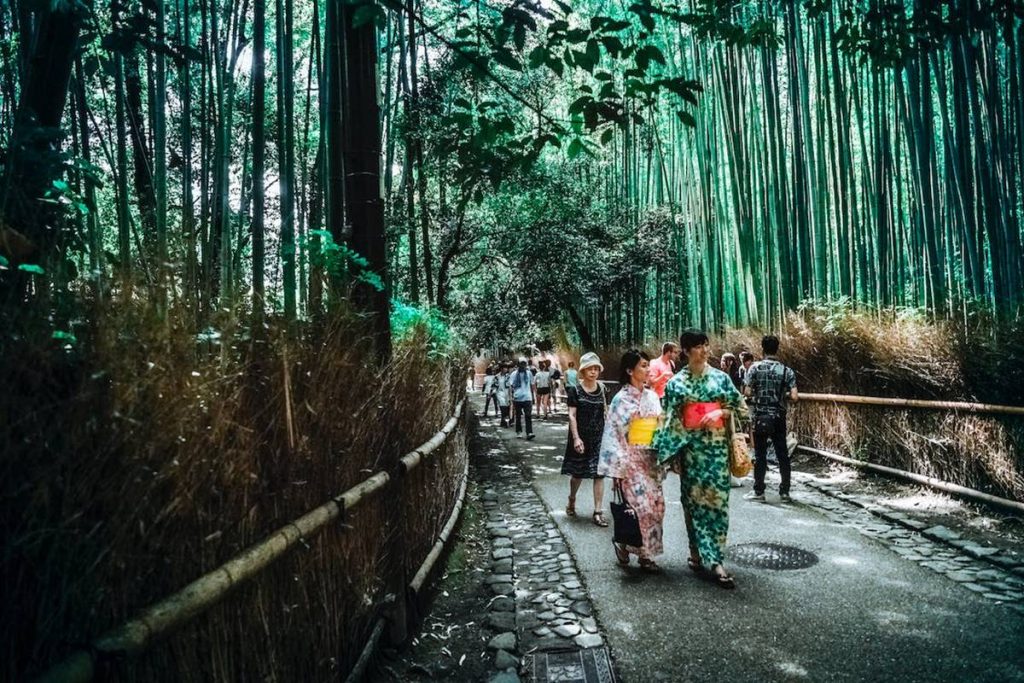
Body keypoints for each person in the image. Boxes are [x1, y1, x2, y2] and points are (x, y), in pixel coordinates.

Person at [653, 329, 746, 589]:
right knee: (692, 504)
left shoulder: (721, 379)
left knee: (718, 506)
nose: (705, 350)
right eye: (698, 346)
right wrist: (671, 455)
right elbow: (669, 420)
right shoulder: (676, 384)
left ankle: (715, 560)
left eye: (706, 345)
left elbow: (740, 408)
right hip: (691, 452)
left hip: (716, 452)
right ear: (685, 351)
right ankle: (695, 550)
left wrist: (720, 412)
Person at [599, 349, 665, 572]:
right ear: (630, 370)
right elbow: (613, 435)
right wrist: (616, 470)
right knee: (638, 508)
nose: (648, 369)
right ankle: (629, 546)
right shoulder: (620, 399)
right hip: (630, 461)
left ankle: (644, 553)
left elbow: (660, 427)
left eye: (648, 365)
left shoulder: (652, 396)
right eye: (643, 365)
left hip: (650, 459)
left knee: (656, 508)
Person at [743, 335, 798, 503]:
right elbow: (794, 396)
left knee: (760, 455)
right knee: (782, 454)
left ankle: (759, 491)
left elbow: (746, 392)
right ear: (777, 349)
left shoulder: (754, 368)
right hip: (779, 416)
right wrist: (782, 394)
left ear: (762, 348)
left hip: (760, 416)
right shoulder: (786, 370)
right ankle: (785, 492)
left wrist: (758, 394)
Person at [562, 352, 608, 527]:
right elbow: (572, 416)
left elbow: (606, 411)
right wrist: (576, 438)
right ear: (583, 370)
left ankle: (598, 511)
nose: (594, 371)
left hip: (598, 436)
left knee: (599, 474)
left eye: (596, 368)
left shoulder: (602, 389)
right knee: (577, 474)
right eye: (590, 368)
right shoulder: (575, 390)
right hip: (580, 436)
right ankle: (572, 498)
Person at [510, 359, 536, 440]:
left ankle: (529, 432)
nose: (523, 366)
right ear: (518, 365)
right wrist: (511, 396)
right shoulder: (514, 374)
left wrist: (533, 396)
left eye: (524, 364)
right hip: (517, 398)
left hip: (527, 397)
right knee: (518, 416)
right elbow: (511, 386)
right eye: (521, 364)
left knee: (528, 415)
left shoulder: (529, 373)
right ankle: (519, 432)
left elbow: (532, 385)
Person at [496, 363, 513, 427]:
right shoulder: (497, 377)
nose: (506, 369)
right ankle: (505, 422)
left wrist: (511, 394)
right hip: (500, 393)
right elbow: (494, 385)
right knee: (503, 408)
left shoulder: (508, 376)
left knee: (507, 408)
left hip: (507, 393)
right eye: (504, 368)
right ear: (501, 369)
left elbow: (510, 386)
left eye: (506, 368)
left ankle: (503, 421)